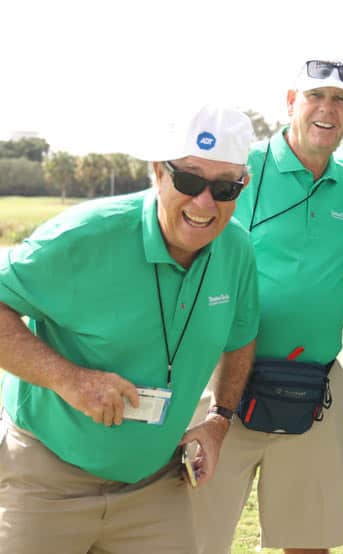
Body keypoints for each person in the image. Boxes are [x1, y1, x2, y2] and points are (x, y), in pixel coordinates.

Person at [0, 105, 260, 553]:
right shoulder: (84, 234)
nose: (204, 203)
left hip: (155, 485)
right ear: (158, 172)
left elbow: (241, 338)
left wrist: (218, 421)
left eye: (224, 187)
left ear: (244, 185)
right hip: (46, 481)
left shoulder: (236, 249)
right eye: (189, 180)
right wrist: (70, 379)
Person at [193, 57, 343, 554]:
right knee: (194, 535)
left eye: (341, 100)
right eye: (316, 96)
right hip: (220, 381)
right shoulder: (239, 170)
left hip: (312, 389)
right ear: (291, 102)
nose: (327, 109)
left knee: (308, 543)